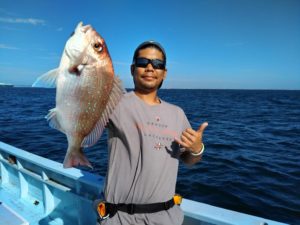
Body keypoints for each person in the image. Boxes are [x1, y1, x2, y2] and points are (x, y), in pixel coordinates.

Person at [96, 40, 208, 225]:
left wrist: (197, 149)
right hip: (120, 218)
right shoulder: (113, 103)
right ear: (133, 69)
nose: (150, 68)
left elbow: (189, 159)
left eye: (157, 64)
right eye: (142, 62)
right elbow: (81, 111)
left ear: (164, 73)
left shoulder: (177, 114)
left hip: (166, 218)